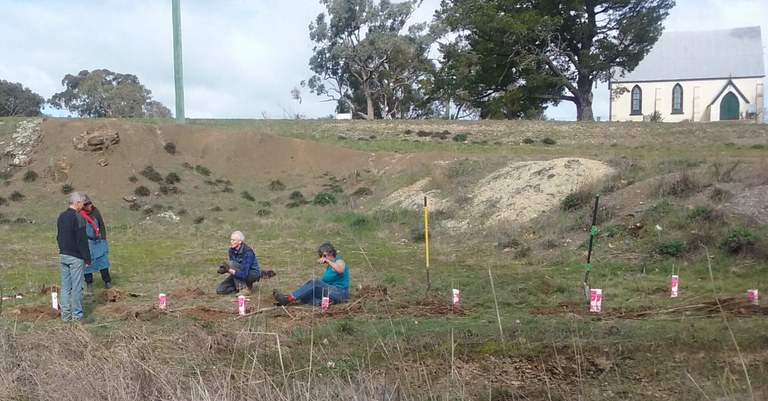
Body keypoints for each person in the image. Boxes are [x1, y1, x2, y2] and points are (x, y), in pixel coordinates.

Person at [273, 242, 349, 307]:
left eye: (324, 256)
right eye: (321, 256)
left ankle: (287, 299)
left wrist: (328, 261)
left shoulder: (339, 261)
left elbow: (341, 270)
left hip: (340, 293)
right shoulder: (329, 266)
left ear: (330, 253)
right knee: (304, 293)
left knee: (314, 283)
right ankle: (322, 303)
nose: (322, 258)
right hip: (330, 292)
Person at [56, 192, 92, 322]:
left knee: (65, 287)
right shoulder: (78, 217)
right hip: (75, 256)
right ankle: (77, 316)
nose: (83, 205)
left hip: (63, 254)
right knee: (77, 287)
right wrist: (87, 258)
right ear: (77, 202)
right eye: (82, 203)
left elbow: (59, 236)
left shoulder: (61, 216)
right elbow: (82, 240)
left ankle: (65, 316)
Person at [80, 195, 113, 293]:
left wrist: (103, 239)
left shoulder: (95, 211)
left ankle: (107, 281)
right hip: (87, 241)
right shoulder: (79, 215)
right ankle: (89, 283)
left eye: (90, 203)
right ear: (83, 206)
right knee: (87, 263)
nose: (91, 205)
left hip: (97, 240)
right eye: (88, 204)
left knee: (103, 260)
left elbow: (101, 224)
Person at [216, 231, 262, 296]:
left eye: (233, 240)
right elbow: (234, 269)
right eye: (231, 240)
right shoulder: (231, 250)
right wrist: (225, 270)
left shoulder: (248, 253)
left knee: (232, 264)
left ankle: (243, 289)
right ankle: (246, 286)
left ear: (240, 241)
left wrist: (228, 269)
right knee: (220, 290)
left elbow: (244, 274)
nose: (231, 242)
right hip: (239, 273)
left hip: (252, 274)